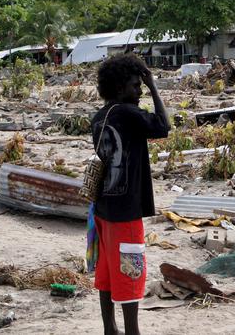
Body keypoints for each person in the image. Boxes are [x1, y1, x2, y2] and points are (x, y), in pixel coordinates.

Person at [91, 54, 170, 335]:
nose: (139, 90)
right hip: (126, 211)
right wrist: (154, 87)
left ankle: (110, 329)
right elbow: (163, 126)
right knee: (131, 271)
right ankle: (132, 331)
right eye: (136, 85)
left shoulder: (99, 117)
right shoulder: (128, 113)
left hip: (102, 208)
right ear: (120, 87)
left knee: (108, 271)